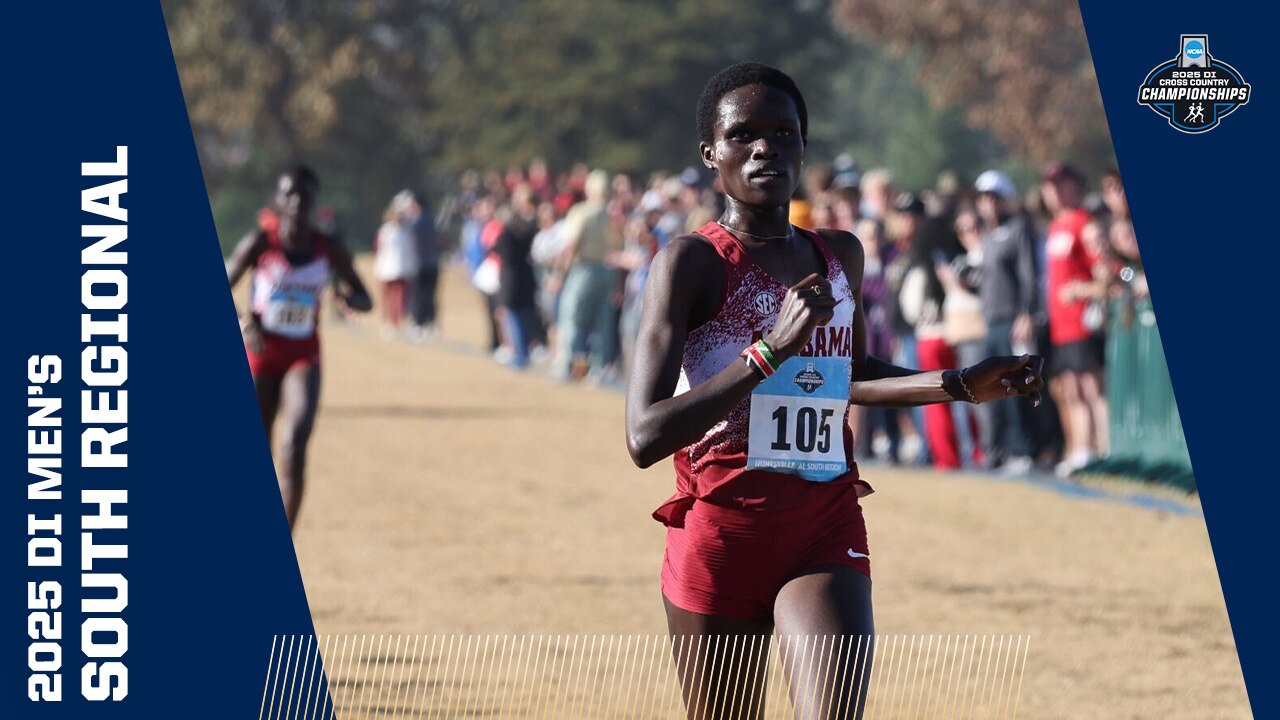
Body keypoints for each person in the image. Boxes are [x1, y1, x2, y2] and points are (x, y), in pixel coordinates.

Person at [624, 63, 1044, 719]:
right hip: (721, 533)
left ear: (803, 146)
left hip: (822, 526)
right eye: (744, 135)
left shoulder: (838, 254)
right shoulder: (691, 263)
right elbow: (643, 436)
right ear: (711, 153)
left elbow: (845, 376)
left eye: (784, 134)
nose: (766, 148)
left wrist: (959, 384)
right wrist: (769, 352)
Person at [226, 166, 372, 529]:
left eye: (303, 194)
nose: (296, 201)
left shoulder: (328, 248)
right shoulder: (261, 242)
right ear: (277, 200)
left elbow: (366, 297)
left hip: (302, 355)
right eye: (288, 194)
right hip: (260, 353)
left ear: (313, 199)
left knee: (293, 449)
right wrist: (244, 320)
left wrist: (347, 297)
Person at [373, 192, 419, 337]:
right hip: (388, 268)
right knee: (387, 297)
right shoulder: (387, 231)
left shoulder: (404, 233)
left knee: (397, 298)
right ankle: (386, 322)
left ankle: (394, 323)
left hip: (399, 269)